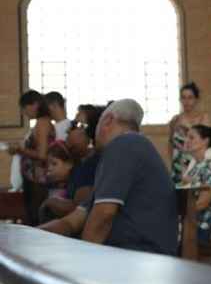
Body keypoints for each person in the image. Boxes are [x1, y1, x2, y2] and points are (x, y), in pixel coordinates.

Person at [39, 99, 178, 255]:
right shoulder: (119, 152)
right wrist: (32, 237)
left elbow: (103, 216)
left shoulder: (124, 144)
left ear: (108, 120)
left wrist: (82, 264)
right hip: (131, 254)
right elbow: (73, 221)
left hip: (142, 256)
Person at [38, 105, 104, 223]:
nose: (68, 130)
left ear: (91, 132)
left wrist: (50, 202)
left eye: (74, 125)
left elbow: (80, 210)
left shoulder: (91, 165)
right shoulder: (82, 163)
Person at [7, 90, 54, 225]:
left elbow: (42, 155)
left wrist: (20, 150)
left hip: (38, 179)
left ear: (35, 104)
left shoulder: (43, 123)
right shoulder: (40, 123)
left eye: (24, 108)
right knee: (31, 216)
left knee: (36, 219)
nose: (23, 112)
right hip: (33, 178)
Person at [181, 125, 211, 244]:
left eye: (191, 137)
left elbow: (203, 202)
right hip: (190, 218)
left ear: (205, 141)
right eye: (186, 137)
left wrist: (175, 212)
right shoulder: (196, 165)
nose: (186, 141)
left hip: (203, 223)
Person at [168, 82, 211, 184]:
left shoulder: (204, 119)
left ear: (196, 99)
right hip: (178, 168)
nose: (186, 101)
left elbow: (206, 145)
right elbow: (170, 144)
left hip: (196, 166)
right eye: (183, 98)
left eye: (190, 98)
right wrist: (172, 164)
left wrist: (188, 128)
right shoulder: (175, 120)